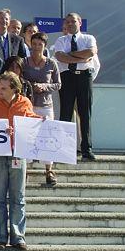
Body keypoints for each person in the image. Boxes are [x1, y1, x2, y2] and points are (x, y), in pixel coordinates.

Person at [0, 72, 42, 250]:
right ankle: (0, 238)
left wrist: (43, 122)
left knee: (18, 197)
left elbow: (30, 120)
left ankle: (18, 237)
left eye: (4, 88)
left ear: (15, 89)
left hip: (18, 153)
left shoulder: (25, 102)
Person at [53, 12, 98, 161]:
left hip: (84, 77)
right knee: (65, 113)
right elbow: (60, 57)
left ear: (79, 22)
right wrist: (81, 56)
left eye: (73, 21)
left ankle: (87, 149)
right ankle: (64, 149)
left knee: (85, 113)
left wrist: (70, 55)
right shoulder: (61, 40)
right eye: (67, 22)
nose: (70, 24)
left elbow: (91, 52)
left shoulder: (88, 38)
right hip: (67, 78)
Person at [24, 32, 61, 185]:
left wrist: (45, 86)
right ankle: (24, 170)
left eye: (40, 44)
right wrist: (31, 85)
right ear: (30, 44)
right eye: (34, 44)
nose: (37, 47)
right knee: (26, 137)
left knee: (47, 138)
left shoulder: (51, 63)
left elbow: (58, 84)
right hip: (28, 105)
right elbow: (19, 79)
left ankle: (48, 170)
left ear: (45, 46)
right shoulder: (24, 62)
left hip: (46, 105)